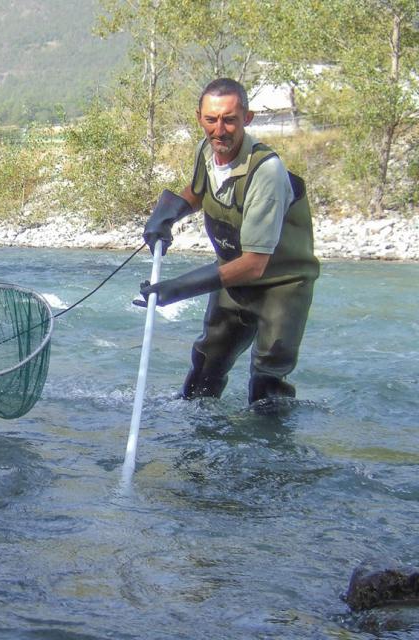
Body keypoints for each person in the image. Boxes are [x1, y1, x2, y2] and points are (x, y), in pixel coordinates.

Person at [136, 78, 319, 404]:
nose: (219, 130)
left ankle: (269, 450)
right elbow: (196, 193)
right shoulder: (206, 150)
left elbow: (254, 264)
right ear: (199, 118)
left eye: (229, 119)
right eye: (211, 119)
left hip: (282, 284)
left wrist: (175, 290)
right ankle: (197, 442)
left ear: (246, 119)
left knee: (267, 382)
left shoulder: (266, 171)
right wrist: (167, 213)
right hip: (234, 274)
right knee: (206, 364)